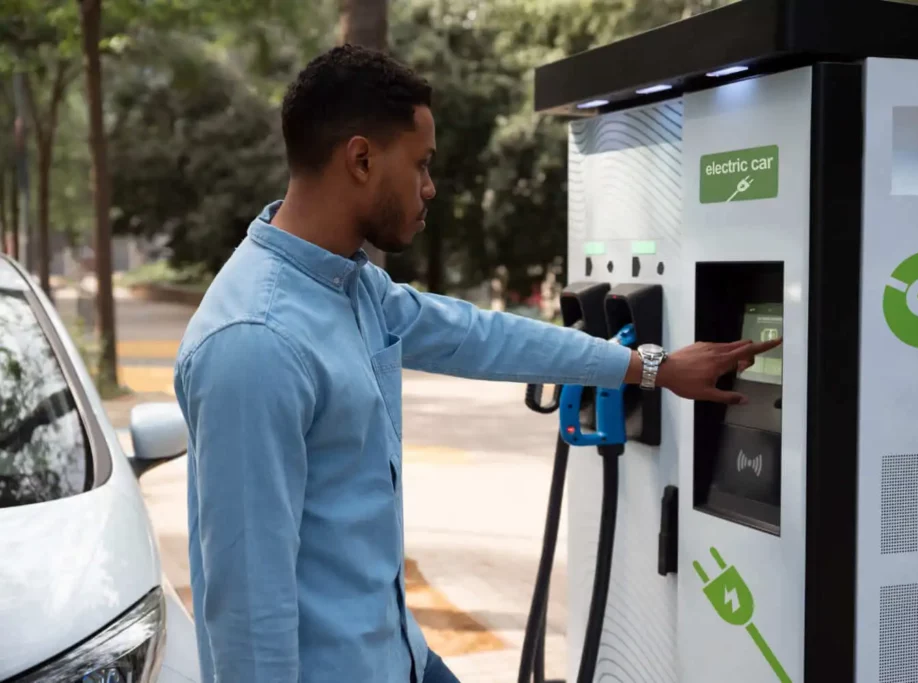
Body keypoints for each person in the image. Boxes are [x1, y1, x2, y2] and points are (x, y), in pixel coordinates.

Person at [173, 44, 781, 683]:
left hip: (398, 655)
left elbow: (482, 336)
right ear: (361, 159)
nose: (429, 188)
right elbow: (247, 612)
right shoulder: (256, 343)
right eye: (422, 164)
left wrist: (651, 368)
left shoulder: (350, 288)